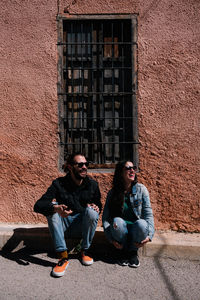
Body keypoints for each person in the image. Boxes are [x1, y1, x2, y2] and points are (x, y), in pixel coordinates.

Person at [34, 153, 101, 277]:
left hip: (81, 227)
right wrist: (56, 208)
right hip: (63, 227)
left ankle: (84, 251)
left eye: (86, 164)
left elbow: (98, 206)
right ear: (70, 167)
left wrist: (96, 207)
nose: (84, 167)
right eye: (80, 164)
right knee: (52, 208)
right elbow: (38, 205)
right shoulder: (59, 184)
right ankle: (63, 257)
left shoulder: (92, 185)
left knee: (92, 211)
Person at [102, 160, 154, 268]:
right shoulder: (113, 193)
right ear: (120, 173)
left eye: (133, 168)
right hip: (121, 231)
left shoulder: (141, 189)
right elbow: (106, 218)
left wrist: (149, 236)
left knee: (142, 224)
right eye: (128, 168)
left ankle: (132, 252)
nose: (132, 170)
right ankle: (122, 251)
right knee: (117, 221)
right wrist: (111, 239)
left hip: (136, 231)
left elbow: (148, 214)